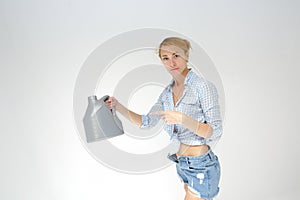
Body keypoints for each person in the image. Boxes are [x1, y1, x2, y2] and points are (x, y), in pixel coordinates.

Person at [105, 37, 222, 200]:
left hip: (200, 166)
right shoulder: (167, 93)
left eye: (176, 56)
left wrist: (183, 119)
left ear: (186, 55)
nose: (171, 63)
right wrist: (118, 106)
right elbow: (146, 122)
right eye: (165, 58)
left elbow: (215, 131)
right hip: (182, 164)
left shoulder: (203, 87)